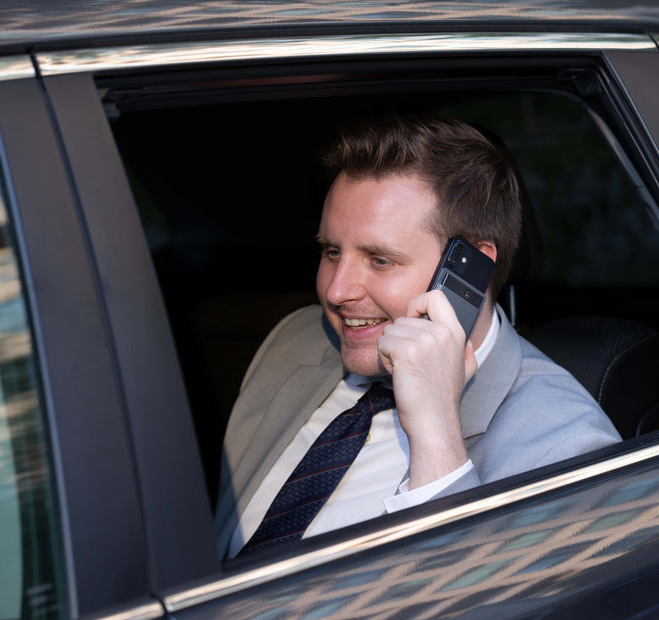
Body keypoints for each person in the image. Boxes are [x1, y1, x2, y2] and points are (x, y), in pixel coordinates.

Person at [215, 114, 619, 558]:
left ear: (472, 266)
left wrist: (436, 439)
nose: (336, 290)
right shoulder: (293, 341)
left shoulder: (568, 451)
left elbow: (480, 619)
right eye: (332, 251)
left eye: (379, 260)